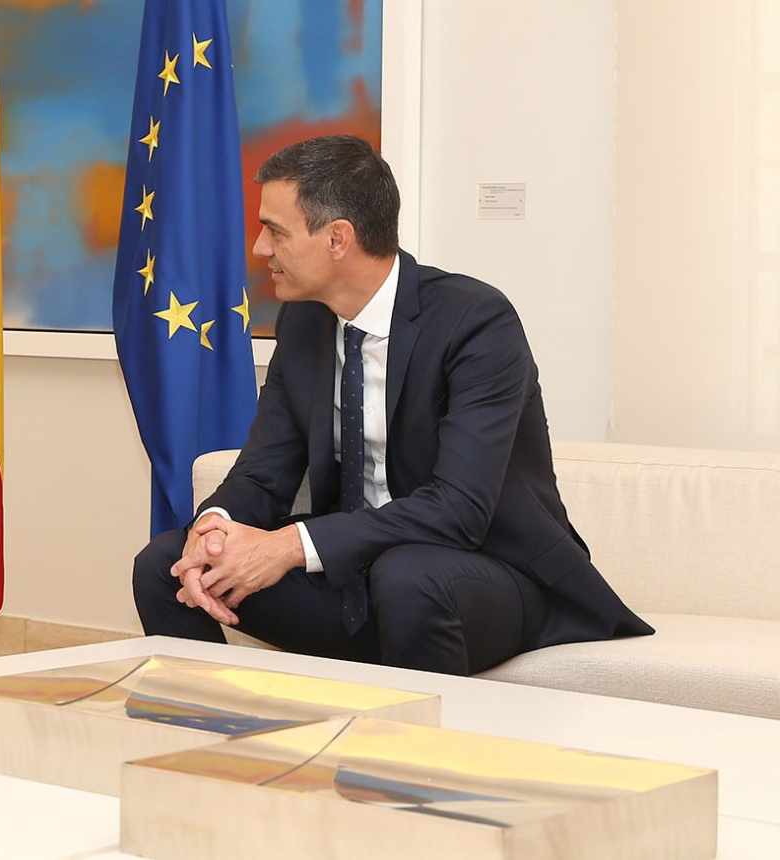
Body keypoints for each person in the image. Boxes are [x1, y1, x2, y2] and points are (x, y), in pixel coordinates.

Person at [132, 136, 652, 675]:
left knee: (408, 578)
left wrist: (287, 546)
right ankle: (222, 743)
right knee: (166, 566)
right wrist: (214, 530)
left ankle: (410, 756)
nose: (261, 249)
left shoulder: (475, 322)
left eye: (276, 231)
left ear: (338, 239)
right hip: (359, 573)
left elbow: (459, 509)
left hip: (486, 574)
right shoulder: (306, 323)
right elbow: (263, 474)